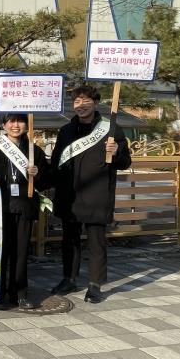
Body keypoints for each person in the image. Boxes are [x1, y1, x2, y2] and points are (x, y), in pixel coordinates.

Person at [50, 85, 131, 303]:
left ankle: (95, 284)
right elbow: (57, 161)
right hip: (70, 195)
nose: (81, 105)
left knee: (96, 242)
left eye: (85, 101)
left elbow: (125, 163)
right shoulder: (66, 130)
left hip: (97, 194)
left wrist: (116, 153)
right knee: (69, 240)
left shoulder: (111, 129)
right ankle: (69, 278)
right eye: (77, 101)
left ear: (95, 103)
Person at [0, 113, 49, 309]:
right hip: (0, 207)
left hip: (24, 206)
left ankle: (20, 294)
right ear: (4, 125)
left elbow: (47, 180)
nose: (16, 125)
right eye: (11, 121)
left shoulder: (34, 151)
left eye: (20, 121)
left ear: (27, 124)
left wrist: (37, 174)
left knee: (21, 252)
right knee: (0, 252)